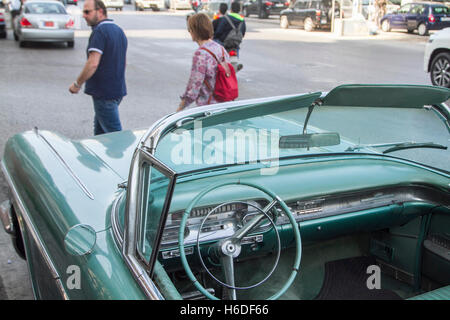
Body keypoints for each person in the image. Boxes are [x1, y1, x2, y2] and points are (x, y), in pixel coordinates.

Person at [69, 0, 127, 136]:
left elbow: (93, 63)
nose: (84, 15)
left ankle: (125, 157)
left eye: (87, 12)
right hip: (116, 90)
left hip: (104, 93)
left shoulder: (100, 32)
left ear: (100, 11)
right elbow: (123, 62)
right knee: (101, 135)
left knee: (115, 137)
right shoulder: (118, 31)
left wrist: (77, 84)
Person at [177, 13, 230, 112]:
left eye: (190, 29)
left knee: (196, 126)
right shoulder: (221, 49)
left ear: (195, 31)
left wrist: (179, 109)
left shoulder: (200, 54)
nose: (189, 32)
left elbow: (194, 87)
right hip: (225, 106)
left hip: (208, 109)